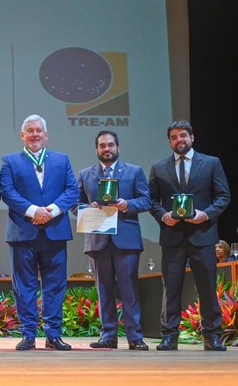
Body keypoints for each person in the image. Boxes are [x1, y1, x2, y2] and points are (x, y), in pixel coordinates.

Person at [149, 120, 230, 351]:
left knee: (206, 288)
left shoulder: (211, 163)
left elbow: (223, 196)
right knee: (171, 288)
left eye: (183, 135)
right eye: (174, 137)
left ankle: (212, 336)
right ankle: (169, 337)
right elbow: (152, 201)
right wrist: (164, 216)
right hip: (172, 237)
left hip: (202, 235)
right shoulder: (158, 167)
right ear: (169, 141)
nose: (179, 140)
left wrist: (206, 215)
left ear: (192, 138)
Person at [0, 114, 79, 351]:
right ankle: (28, 335)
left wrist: (51, 211)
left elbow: (72, 190)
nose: (35, 134)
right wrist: (34, 211)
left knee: (54, 285)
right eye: (30, 131)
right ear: (22, 135)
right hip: (23, 232)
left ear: (46, 135)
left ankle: (53, 335)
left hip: (54, 231)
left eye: (39, 131)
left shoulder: (62, 160)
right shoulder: (9, 161)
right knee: (24, 286)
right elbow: (7, 191)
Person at [75, 130, 151, 351]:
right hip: (97, 240)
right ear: (96, 149)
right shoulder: (85, 174)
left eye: (110, 145)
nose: (106, 149)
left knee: (129, 291)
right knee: (104, 291)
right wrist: (86, 209)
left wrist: (127, 204)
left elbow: (146, 200)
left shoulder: (134, 171)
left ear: (118, 147)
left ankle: (135, 337)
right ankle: (108, 336)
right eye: (102, 146)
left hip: (126, 240)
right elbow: (74, 204)